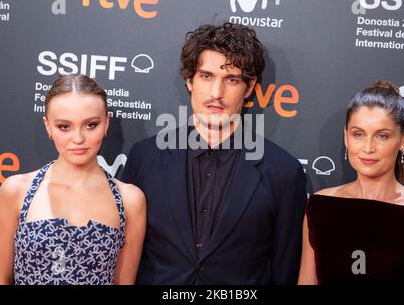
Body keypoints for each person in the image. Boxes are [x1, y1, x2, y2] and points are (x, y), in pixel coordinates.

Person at [121, 23, 307, 284]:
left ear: (250, 86)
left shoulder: (283, 172)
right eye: (206, 76)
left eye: (231, 80)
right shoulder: (145, 158)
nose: (216, 94)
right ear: (189, 80)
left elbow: (284, 270)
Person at [0, 74, 146, 285]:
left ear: (106, 123)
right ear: (48, 127)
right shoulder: (17, 191)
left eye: (90, 125)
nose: (78, 138)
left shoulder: (130, 200)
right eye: (64, 126)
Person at [298, 81, 404, 285]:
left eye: (382, 136)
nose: (368, 147)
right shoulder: (320, 206)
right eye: (358, 134)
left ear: (403, 139)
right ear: (346, 137)